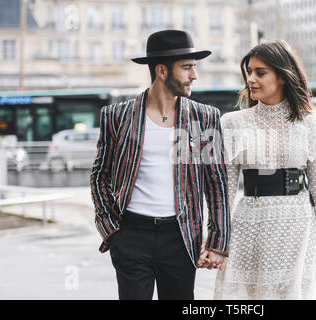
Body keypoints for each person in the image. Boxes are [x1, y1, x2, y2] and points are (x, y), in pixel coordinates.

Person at [90, 30, 230, 300]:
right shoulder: (117, 116)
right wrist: (111, 230)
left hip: (180, 236)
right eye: (187, 67)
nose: (194, 75)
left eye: (194, 67)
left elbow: (216, 184)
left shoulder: (203, 118)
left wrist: (217, 242)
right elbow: (99, 176)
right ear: (162, 70)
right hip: (131, 234)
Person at [214, 40, 316, 300]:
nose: (251, 79)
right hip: (248, 225)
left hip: (298, 227)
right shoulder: (233, 124)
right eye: (249, 72)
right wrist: (218, 238)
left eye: (260, 72)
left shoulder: (312, 124)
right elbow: (226, 187)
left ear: (283, 76)